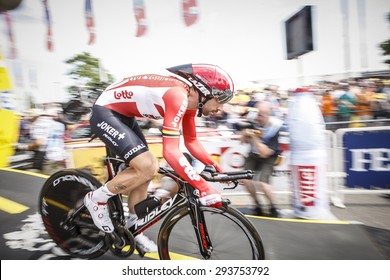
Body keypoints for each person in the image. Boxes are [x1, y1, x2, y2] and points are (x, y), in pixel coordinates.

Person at [84, 63, 235, 252]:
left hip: (125, 116)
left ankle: (132, 228)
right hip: (106, 112)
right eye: (219, 100)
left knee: (144, 172)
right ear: (203, 90)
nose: (220, 108)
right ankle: (96, 199)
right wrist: (204, 187)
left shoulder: (190, 99)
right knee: (147, 166)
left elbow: (191, 141)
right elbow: (170, 152)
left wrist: (215, 166)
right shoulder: (177, 95)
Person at [240, 101, 282, 218]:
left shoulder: (275, 127)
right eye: (257, 114)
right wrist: (245, 133)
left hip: (268, 156)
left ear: (268, 115)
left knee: (263, 184)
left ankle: (273, 207)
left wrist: (254, 137)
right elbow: (242, 142)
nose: (258, 118)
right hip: (253, 155)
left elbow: (265, 153)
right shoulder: (253, 122)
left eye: (261, 115)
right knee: (245, 179)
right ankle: (257, 205)